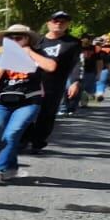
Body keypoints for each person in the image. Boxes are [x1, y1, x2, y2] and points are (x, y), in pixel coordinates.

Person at [0, 24, 58, 184]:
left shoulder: (37, 53)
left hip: (28, 101)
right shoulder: (3, 56)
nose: (14, 41)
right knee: (4, 138)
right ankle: (11, 166)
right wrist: (5, 62)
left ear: (27, 39)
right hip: (1, 102)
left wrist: (29, 53)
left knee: (12, 134)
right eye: (10, 38)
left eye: (19, 38)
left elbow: (51, 67)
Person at [25, 11, 80, 153]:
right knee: (27, 112)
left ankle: (38, 142)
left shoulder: (72, 43)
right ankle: (23, 139)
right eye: (56, 21)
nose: (59, 24)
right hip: (33, 82)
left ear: (68, 24)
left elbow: (75, 63)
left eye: (63, 21)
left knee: (47, 114)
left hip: (55, 84)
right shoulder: (37, 41)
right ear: (48, 23)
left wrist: (74, 81)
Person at [64, 37, 100, 115]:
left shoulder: (94, 49)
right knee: (69, 88)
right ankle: (68, 107)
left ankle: (78, 105)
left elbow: (98, 61)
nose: (86, 41)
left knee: (84, 89)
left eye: (87, 40)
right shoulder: (76, 48)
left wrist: (98, 72)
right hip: (74, 71)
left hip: (89, 70)